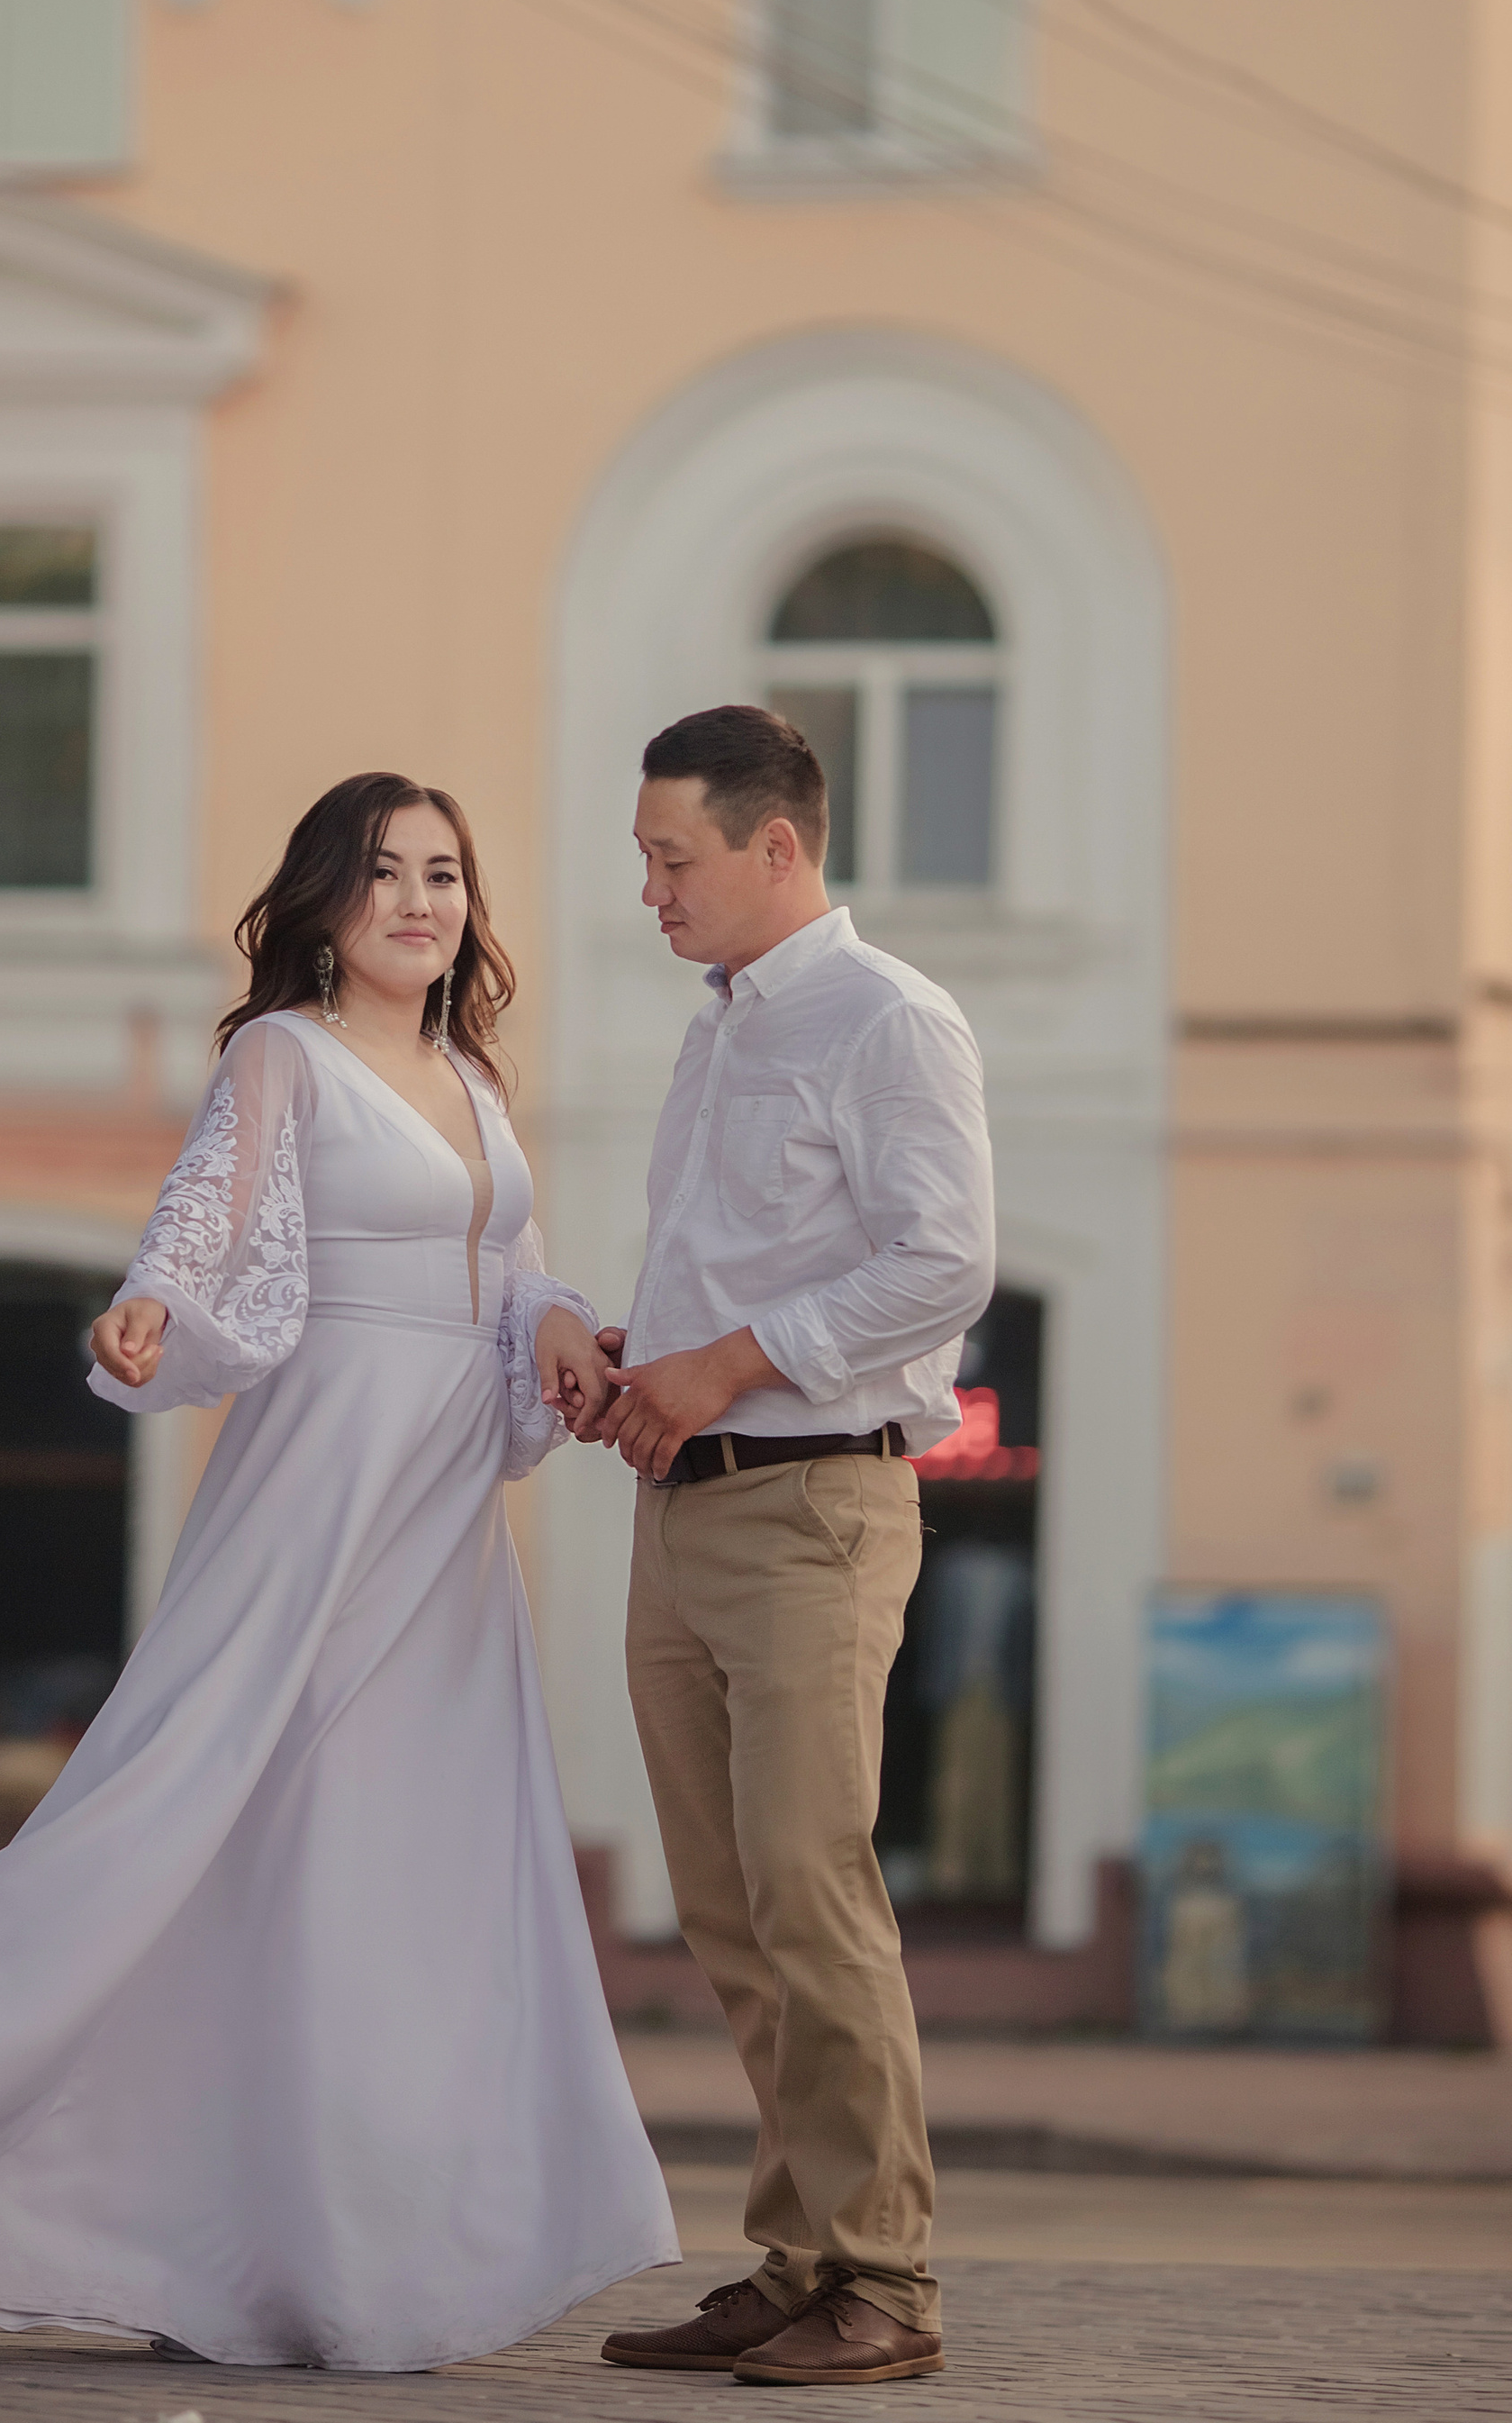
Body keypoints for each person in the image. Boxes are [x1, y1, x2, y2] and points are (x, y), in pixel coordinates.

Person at [0, 771, 679, 2372]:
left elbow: (503, 1269)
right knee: (191, 1798)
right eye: (389, 871)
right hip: (318, 1481)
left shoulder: (473, 1074)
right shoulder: (285, 1054)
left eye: (448, 874)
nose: (422, 900)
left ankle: (328, 2254)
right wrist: (149, 1304)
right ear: (324, 896)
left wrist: (554, 1318)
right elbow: (208, 1215)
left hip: (445, 1518)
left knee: (397, 1862)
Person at [591, 706, 993, 2390]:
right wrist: (637, 1358)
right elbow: (723, 1269)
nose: (653, 893)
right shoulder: (721, 1028)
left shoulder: (888, 1015)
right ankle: (802, 2250)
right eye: (642, 862)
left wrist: (731, 1357)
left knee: (815, 1894)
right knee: (732, 1909)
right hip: (685, 1505)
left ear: (777, 846)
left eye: (672, 859)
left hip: (819, 1503)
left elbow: (946, 1262)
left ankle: (888, 2282)